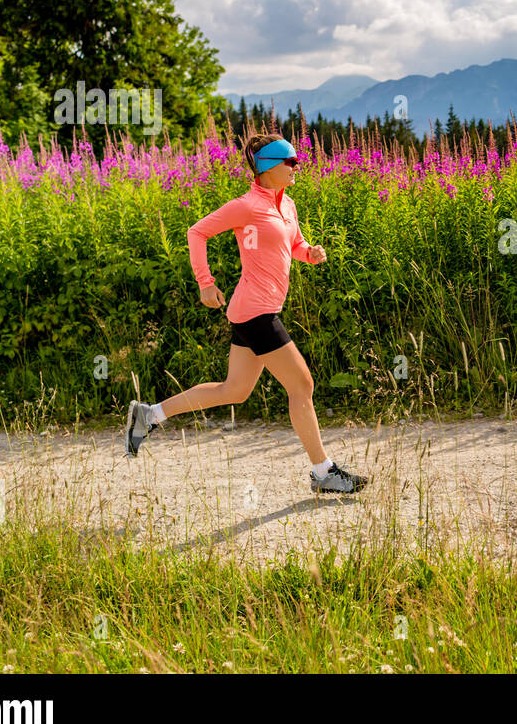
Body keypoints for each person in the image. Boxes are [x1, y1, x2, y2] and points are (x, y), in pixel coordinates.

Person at [124, 133, 369, 494]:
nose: (296, 167)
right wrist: (205, 282)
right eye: (290, 161)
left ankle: (149, 415)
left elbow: (293, 244)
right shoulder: (246, 205)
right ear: (268, 166)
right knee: (302, 384)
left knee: (234, 390)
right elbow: (197, 232)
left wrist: (309, 253)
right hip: (256, 311)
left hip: (253, 309)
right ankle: (323, 473)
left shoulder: (288, 205)